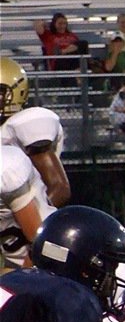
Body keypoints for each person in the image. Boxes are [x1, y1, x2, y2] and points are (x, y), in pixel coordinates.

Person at [0, 58, 70, 209]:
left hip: (23, 214)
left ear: (17, 91)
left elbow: (59, 187)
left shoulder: (26, 123)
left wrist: (38, 217)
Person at [0, 145, 51, 272]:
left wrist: (18, 280)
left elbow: (38, 244)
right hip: (14, 264)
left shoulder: (5, 169)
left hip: (47, 263)